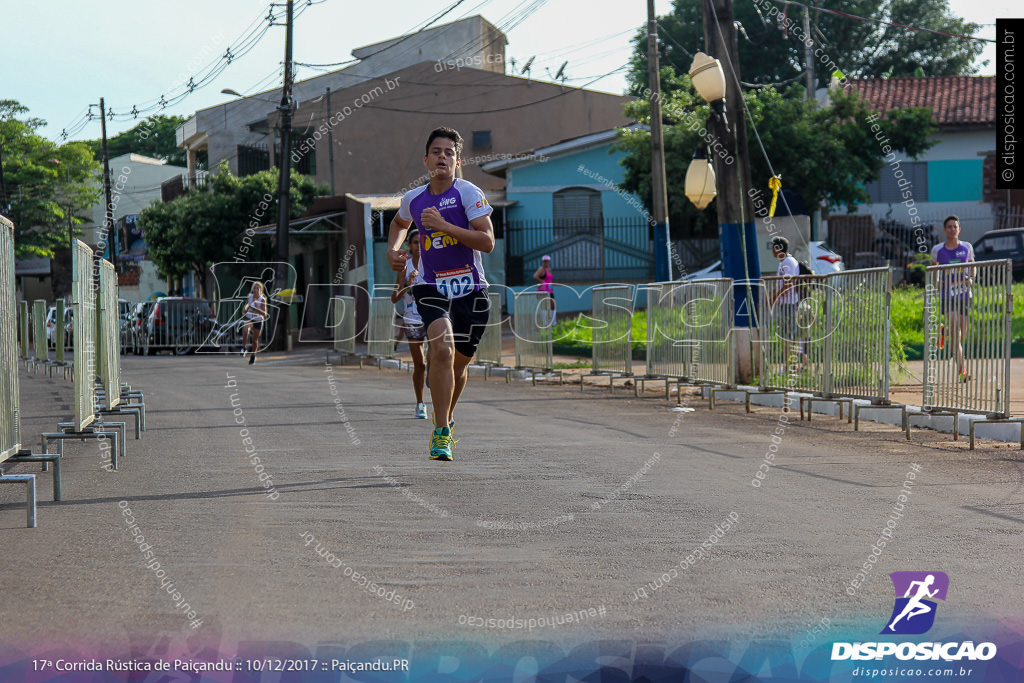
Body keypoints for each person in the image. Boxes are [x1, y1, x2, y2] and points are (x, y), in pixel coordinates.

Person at [386, 127, 495, 461]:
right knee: (443, 351)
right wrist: (393, 250)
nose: (442, 157)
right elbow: (398, 224)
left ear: (457, 160)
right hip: (431, 285)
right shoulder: (414, 199)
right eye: (436, 151)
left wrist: (446, 226)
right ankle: (441, 432)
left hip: (471, 289)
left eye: (449, 152)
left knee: (459, 365)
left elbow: (487, 241)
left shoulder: (468, 193)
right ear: (426, 159)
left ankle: (445, 415)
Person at [931, 215, 975, 381]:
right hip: (947, 296)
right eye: (949, 227)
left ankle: (944, 331)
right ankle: (962, 371)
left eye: (955, 226)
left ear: (959, 229)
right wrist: (937, 284)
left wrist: (971, 279)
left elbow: (972, 267)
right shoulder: (938, 250)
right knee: (956, 335)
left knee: (962, 335)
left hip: (964, 295)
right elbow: (933, 270)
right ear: (944, 230)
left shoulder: (967, 247)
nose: (952, 229)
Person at [390, 229, 428, 419]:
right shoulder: (404, 267)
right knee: (419, 364)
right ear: (410, 246)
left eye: (422, 242)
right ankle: (420, 404)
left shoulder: (433, 263)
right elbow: (394, 298)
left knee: (440, 357)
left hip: (433, 316)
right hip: (412, 318)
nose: (418, 246)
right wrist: (408, 284)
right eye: (414, 242)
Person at [767, 236, 807, 366]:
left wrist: (774, 297)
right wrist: (772, 295)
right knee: (789, 335)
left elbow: (788, 283)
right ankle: (791, 364)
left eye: (773, 248)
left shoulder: (788, 262)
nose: (772, 251)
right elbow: (782, 283)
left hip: (790, 303)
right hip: (786, 303)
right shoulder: (783, 263)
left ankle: (790, 365)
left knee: (789, 336)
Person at [241, 281, 268, 365]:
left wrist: (256, 306)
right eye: (254, 288)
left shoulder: (262, 299)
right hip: (250, 318)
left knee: (255, 340)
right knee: (246, 330)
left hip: (258, 320)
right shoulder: (250, 296)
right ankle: (244, 348)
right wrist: (245, 309)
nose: (256, 290)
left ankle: (253, 356)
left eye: (257, 288)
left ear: (261, 290)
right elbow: (247, 304)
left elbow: (265, 314)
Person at [533, 255, 556, 326]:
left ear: (550, 262)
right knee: (544, 305)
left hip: (549, 290)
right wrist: (542, 282)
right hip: (543, 290)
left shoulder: (549, 269)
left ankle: (553, 322)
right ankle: (544, 323)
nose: (546, 263)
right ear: (543, 262)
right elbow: (535, 276)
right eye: (544, 261)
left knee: (553, 305)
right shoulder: (541, 269)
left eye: (547, 261)